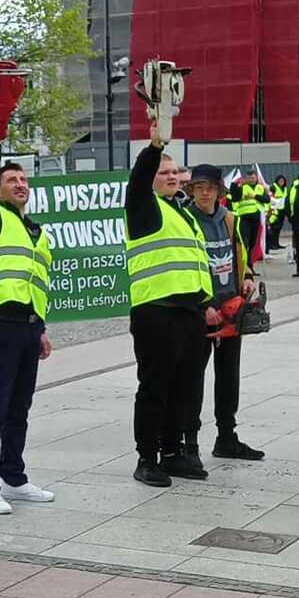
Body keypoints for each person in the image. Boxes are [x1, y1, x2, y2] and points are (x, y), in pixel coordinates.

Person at [0, 141, 57, 513]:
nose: (20, 183)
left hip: (28, 327)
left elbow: (35, 282)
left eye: (23, 179)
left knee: (20, 407)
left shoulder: (34, 230)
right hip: (1, 327)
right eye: (11, 179)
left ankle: (14, 478)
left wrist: (42, 328)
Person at [124, 142, 213, 488]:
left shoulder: (183, 213)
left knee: (184, 387)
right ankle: (147, 458)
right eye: (164, 172)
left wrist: (204, 304)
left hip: (189, 312)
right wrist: (154, 146)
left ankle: (174, 452)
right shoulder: (144, 207)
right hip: (156, 312)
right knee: (155, 387)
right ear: (150, 179)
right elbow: (138, 179)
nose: (173, 177)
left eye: (176, 172)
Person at [179, 165, 266, 461]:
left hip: (231, 309)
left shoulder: (230, 219)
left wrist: (248, 275)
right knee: (192, 378)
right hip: (199, 311)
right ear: (191, 190)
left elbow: (238, 252)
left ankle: (227, 436)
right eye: (199, 187)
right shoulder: (184, 220)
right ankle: (189, 442)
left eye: (211, 187)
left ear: (219, 190)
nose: (205, 192)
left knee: (229, 376)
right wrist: (202, 305)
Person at [266, 174, 290, 252]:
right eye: (280, 181)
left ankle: (277, 243)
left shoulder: (285, 189)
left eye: (283, 181)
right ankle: (272, 244)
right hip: (275, 210)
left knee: (279, 228)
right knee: (274, 228)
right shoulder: (273, 187)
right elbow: (270, 197)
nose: (281, 182)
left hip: (282, 210)